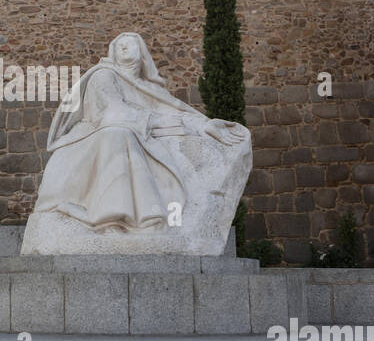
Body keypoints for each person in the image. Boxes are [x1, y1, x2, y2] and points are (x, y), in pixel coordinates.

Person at [33, 32, 247, 232]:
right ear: (112, 53)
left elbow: (170, 111)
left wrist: (202, 125)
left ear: (142, 53)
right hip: (96, 135)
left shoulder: (151, 89)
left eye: (130, 44)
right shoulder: (104, 76)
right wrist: (155, 122)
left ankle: (147, 218)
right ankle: (113, 216)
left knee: (125, 134)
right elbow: (113, 112)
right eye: (120, 46)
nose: (124, 47)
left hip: (137, 132)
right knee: (118, 132)